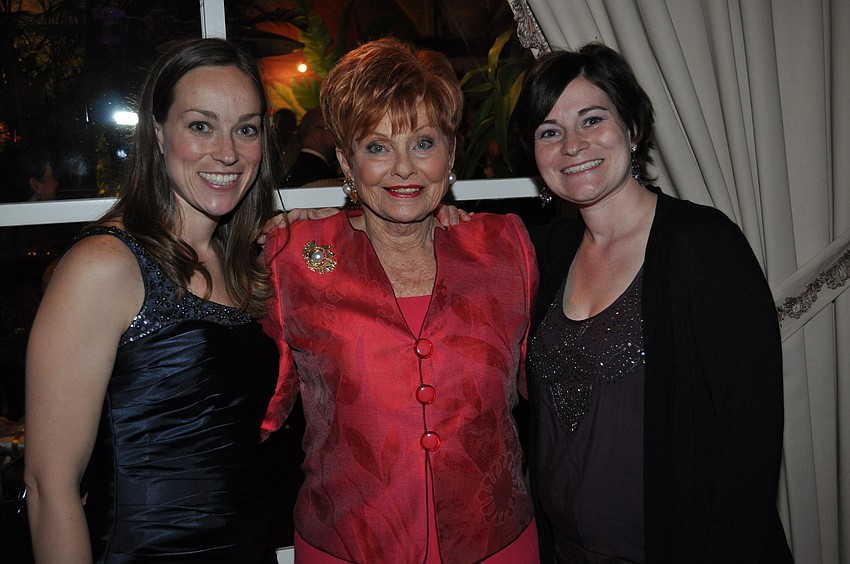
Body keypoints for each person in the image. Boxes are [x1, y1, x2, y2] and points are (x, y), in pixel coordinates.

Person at [262, 37, 540, 563]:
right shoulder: (295, 258)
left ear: (451, 153)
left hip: (495, 541)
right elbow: (255, 409)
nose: (404, 168)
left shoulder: (506, 248)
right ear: (345, 161)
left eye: (423, 143)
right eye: (377, 147)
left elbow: (545, 388)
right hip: (348, 543)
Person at [513, 43, 793, 563]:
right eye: (549, 131)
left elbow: (749, 444)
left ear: (634, 128)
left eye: (591, 119)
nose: (572, 145)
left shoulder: (703, 247)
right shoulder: (545, 255)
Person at [24, 38, 281, 563]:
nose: (228, 152)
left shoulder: (246, 265)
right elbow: (51, 487)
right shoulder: (105, 265)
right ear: (158, 133)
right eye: (201, 125)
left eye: (246, 129)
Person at [284, 107, 339, 187]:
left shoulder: (292, 170)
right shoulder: (326, 180)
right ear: (316, 135)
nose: (338, 136)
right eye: (332, 130)